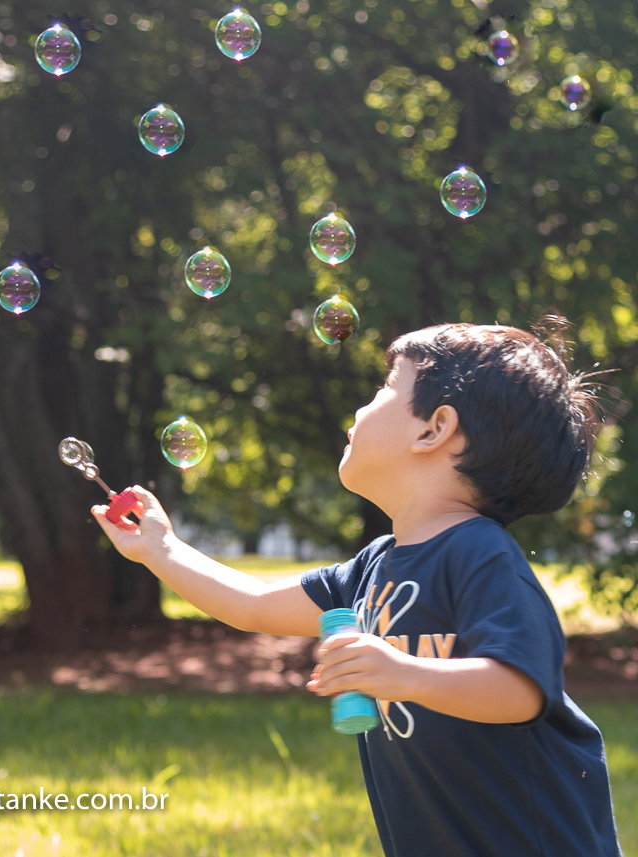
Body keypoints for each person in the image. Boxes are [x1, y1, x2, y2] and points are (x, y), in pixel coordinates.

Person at [93, 321, 623, 856]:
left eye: (386, 387)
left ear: (434, 429)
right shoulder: (375, 566)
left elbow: (520, 690)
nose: (362, 406)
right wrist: (161, 550)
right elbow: (251, 605)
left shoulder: (479, 555)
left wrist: (404, 673)